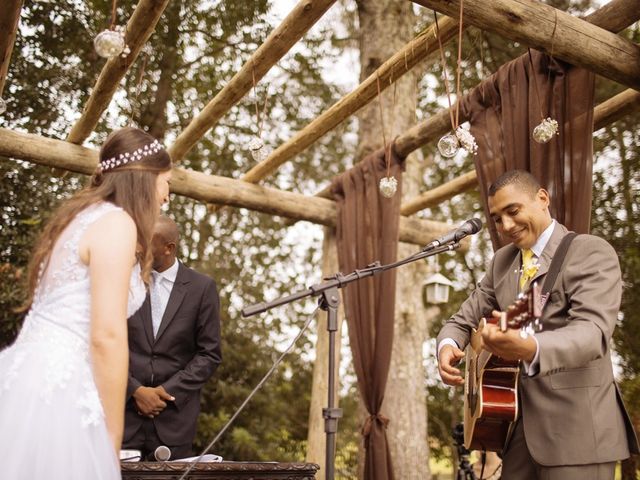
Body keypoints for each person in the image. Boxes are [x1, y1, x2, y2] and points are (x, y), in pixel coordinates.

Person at [437, 170, 639, 479]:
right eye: (497, 218)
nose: (505, 226)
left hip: (579, 433)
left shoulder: (588, 251)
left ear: (542, 198)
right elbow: (461, 320)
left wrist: (530, 348)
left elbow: (592, 333)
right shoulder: (502, 262)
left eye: (513, 211)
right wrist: (448, 345)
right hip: (516, 433)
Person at [0, 127, 172, 479]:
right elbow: (106, 336)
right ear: (145, 180)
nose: (167, 196)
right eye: (166, 182)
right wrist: (111, 437)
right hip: (58, 387)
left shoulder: (82, 219)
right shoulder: (116, 224)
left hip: (34, 376)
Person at [123, 215, 221, 461]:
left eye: (146, 242)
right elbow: (106, 343)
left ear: (169, 248)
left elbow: (209, 354)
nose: (138, 248)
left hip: (174, 423)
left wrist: (165, 392)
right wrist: (135, 390)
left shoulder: (202, 288)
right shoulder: (123, 281)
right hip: (123, 417)